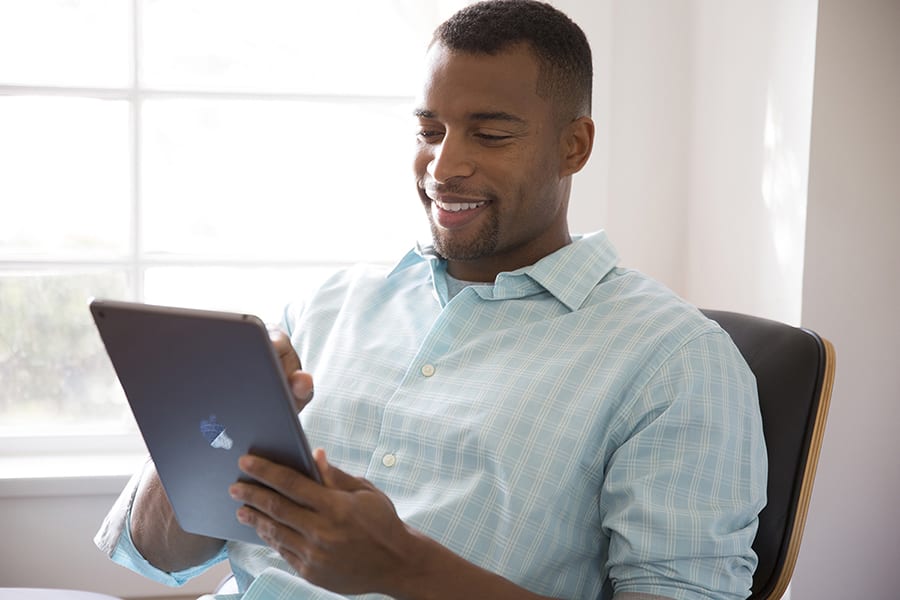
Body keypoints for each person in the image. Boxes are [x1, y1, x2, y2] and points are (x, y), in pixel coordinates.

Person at [96, 1, 767, 599]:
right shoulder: (326, 308)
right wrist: (209, 430)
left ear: (574, 146)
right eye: (429, 131)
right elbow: (150, 554)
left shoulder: (675, 362)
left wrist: (405, 567)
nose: (443, 168)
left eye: (491, 134)